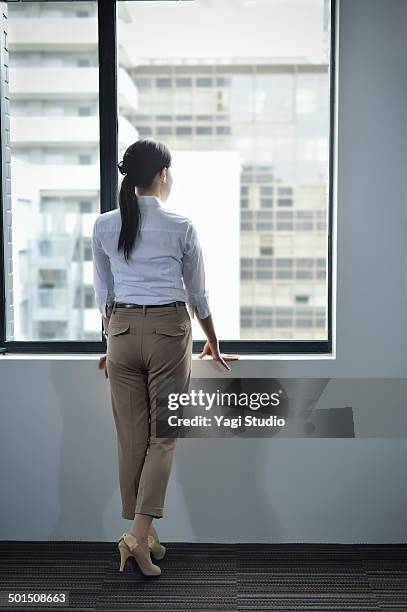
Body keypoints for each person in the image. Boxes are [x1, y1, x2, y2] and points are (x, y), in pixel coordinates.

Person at [92, 138, 238, 576]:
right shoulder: (181, 225)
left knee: (131, 438)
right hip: (167, 332)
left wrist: (110, 340)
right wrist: (210, 339)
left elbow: (105, 292)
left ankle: (145, 533)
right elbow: (198, 295)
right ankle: (137, 535)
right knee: (164, 435)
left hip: (119, 332)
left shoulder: (103, 225)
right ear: (162, 175)